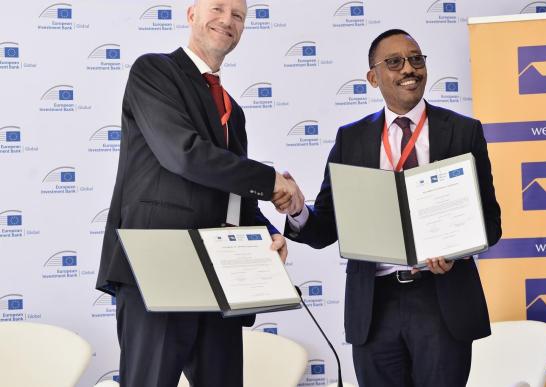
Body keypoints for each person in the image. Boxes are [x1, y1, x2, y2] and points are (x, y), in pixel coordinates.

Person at [95, 0, 300, 385]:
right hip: (158, 269)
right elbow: (183, 154)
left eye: (238, 16)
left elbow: (232, 194)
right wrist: (269, 180)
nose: (227, 20)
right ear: (191, 15)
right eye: (217, 8)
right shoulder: (154, 71)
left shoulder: (233, 110)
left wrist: (265, 233)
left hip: (222, 279)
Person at [282, 29, 502, 387]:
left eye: (416, 59)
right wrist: (296, 210)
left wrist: (457, 251)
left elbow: (490, 221)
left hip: (441, 299)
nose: (408, 69)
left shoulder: (463, 132)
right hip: (374, 304)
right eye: (394, 62)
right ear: (373, 77)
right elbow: (326, 227)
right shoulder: (350, 139)